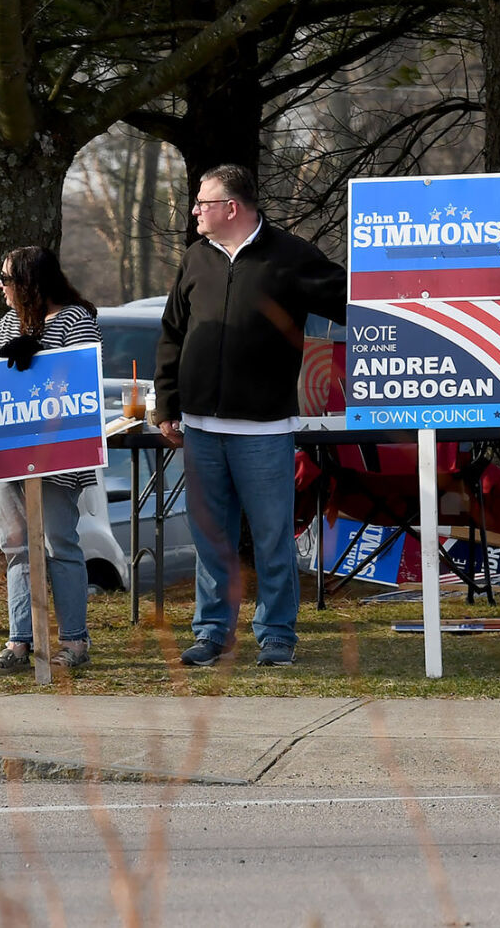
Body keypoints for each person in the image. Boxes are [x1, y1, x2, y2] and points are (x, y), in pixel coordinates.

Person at [155, 164, 346, 668]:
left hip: (265, 431)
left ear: (231, 208)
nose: (194, 210)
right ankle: (213, 632)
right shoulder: (196, 257)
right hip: (199, 429)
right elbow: (173, 333)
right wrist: (167, 405)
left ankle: (277, 635)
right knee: (209, 539)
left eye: (202, 202)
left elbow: (355, 301)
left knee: (272, 538)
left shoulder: (291, 257)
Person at [0, 246, 103, 673]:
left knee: (58, 543)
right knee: (15, 546)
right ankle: (19, 641)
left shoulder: (75, 319)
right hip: (6, 454)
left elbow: (83, 374)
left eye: (8, 279)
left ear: (31, 282)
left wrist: (38, 357)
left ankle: (74, 641)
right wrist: (3, 359)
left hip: (57, 455)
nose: (1, 287)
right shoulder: (7, 323)